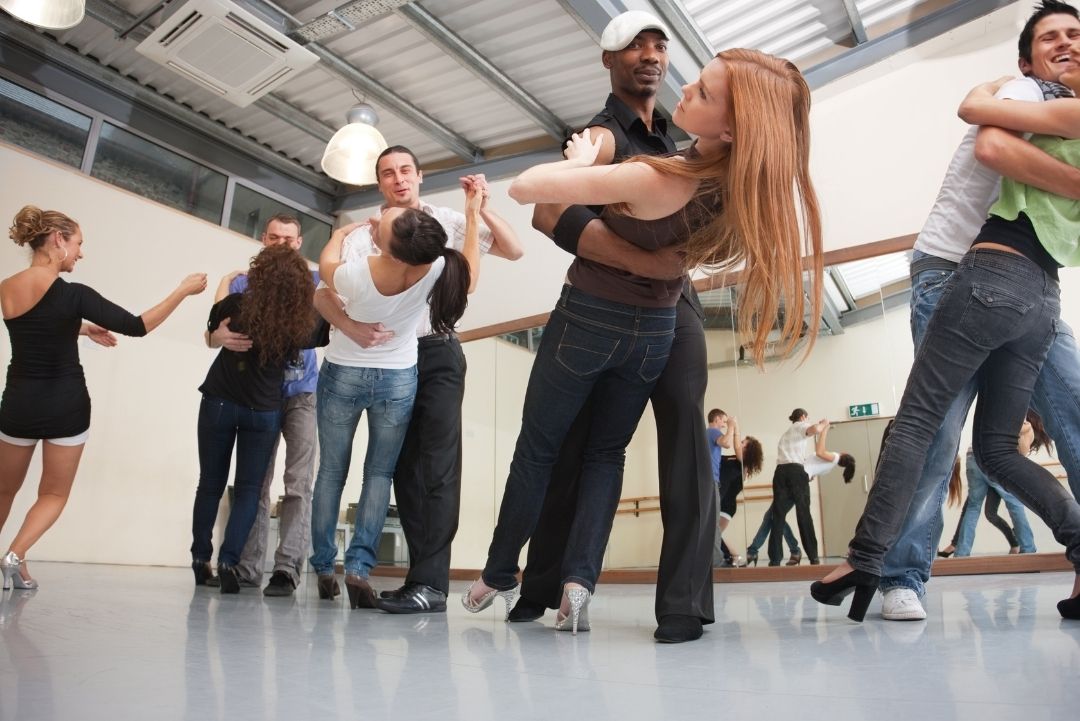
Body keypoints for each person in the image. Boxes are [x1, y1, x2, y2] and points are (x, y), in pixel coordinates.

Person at [464, 48, 823, 636]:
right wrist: (652, 264)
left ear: (733, 127)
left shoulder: (658, 172)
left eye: (702, 94)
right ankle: (573, 583)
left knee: (541, 449)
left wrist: (578, 161)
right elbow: (627, 247)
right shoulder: (736, 187)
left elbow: (533, 191)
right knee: (603, 454)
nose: (681, 89)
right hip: (655, 325)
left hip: (598, 315)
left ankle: (502, 574)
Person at [812, 37, 1080, 622]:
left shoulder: (1042, 97)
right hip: (1041, 294)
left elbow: (984, 133)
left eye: (1077, 37)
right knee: (997, 450)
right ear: (1028, 61)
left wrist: (981, 91)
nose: (1069, 46)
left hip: (990, 271)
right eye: (1054, 38)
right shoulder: (1044, 97)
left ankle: (867, 558)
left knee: (919, 425)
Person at [506, 11, 722, 643]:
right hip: (607, 309)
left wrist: (672, 269)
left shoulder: (687, 145)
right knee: (573, 447)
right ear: (609, 60)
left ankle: (684, 603)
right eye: (634, 47)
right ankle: (541, 586)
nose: (650, 55)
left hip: (676, 311)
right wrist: (644, 261)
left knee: (687, 441)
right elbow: (549, 211)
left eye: (658, 45)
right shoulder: (599, 136)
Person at [315, 146, 521, 614]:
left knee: (438, 469)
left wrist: (480, 209)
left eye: (405, 170)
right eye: (388, 173)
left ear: (420, 175)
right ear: (380, 183)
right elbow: (327, 292)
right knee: (403, 472)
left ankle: (431, 583)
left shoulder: (448, 221)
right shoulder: (366, 235)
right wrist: (349, 328)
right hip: (390, 364)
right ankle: (417, 581)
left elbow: (513, 249)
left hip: (438, 351)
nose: (398, 179)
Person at [0, 205, 205, 590]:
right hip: (65, 404)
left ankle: (16, 561)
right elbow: (137, 326)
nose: (80, 252)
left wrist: (80, 329)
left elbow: (37, 324)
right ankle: (15, 554)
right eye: (78, 243)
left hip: (18, 402)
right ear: (58, 240)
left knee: (3, 488)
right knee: (53, 493)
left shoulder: (7, 287)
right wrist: (182, 290)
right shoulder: (74, 294)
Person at [309, 187, 478, 610]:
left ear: (395, 251)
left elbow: (321, 277)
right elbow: (468, 269)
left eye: (378, 227)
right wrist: (473, 215)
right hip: (398, 378)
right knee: (380, 474)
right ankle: (361, 567)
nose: (372, 222)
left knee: (331, 471)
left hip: (344, 372)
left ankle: (325, 565)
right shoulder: (436, 266)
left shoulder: (357, 271)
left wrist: (338, 233)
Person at [192, 244, 328, 593]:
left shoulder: (237, 306)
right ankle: (229, 560)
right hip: (263, 410)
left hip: (220, 402)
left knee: (211, 483)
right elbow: (325, 329)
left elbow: (213, 316)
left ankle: (200, 557)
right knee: (252, 489)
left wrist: (225, 279)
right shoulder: (302, 323)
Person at [768, 409, 826, 566]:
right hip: (795, 473)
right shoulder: (801, 425)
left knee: (778, 517)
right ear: (802, 417)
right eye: (807, 417)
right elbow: (815, 429)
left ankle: (774, 559)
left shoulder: (786, 434)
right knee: (804, 514)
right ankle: (813, 557)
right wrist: (823, 424)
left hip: (780, 473)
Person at [714, 414, 763, 567]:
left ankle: (731, 557)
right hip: (723, 503)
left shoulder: (743, 464)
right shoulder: (735, 461)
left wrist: (734, 427)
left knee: (713, 534)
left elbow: (735, 447)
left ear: (748, 452)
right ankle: (734, 557)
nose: (739, 444)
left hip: (726, 505)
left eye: (743, 443)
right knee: (714, 535)